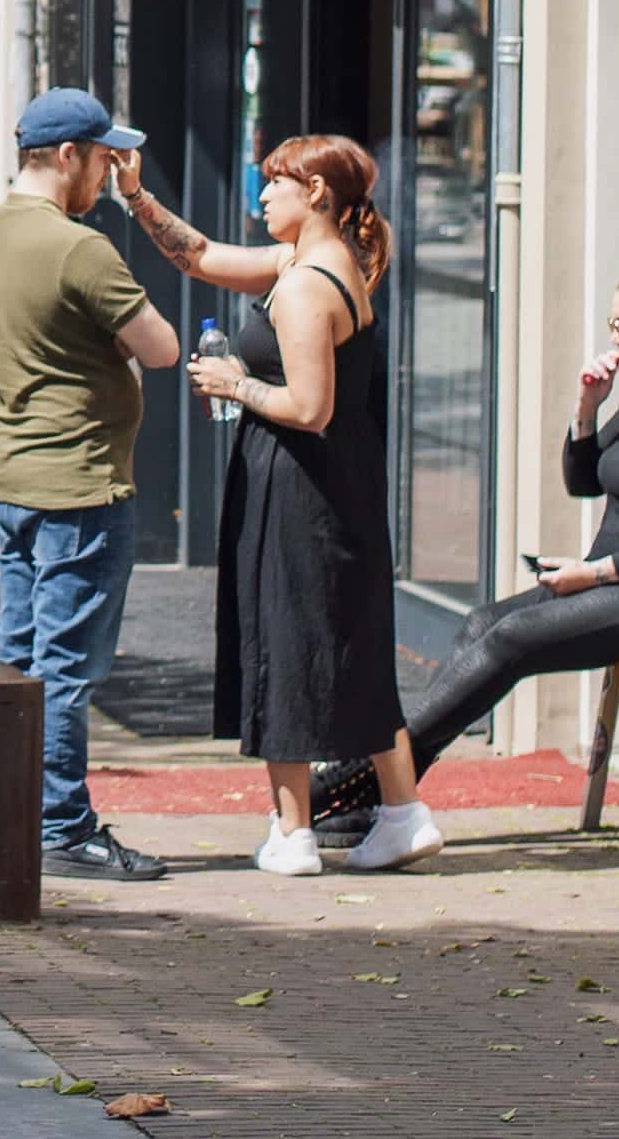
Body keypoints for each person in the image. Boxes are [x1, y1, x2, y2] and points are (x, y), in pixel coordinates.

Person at [344, 265, 619, 811]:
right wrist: (587, 407)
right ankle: (388, 793)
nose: (615, 339)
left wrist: (595, 573)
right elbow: (585, 479)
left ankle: (364, 775)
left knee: (511, 638)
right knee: (479, 624)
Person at [151, 131, 422, 874]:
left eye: (276, 182)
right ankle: (403, 815)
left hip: (302, 487)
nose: (262, 194)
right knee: (354, 649)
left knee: (284, 645)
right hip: (338, 486)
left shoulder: (305, 285)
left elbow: (310, 407)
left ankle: (293, 832)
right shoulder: (312, 262)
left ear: (318, 196)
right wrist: (138, 196)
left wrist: (234, 384)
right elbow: (198, 256)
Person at [0, 92, 187, 882]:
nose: (111, 173)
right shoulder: (78, 249)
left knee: (15, 656)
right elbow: (160, 349)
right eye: (104, 159)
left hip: (17, 478)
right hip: (80, 486)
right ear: (67, 157)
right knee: (65, 668)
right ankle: (60, 826)